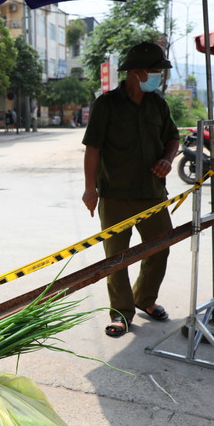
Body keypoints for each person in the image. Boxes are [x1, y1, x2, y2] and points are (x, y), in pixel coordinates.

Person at [81, 42, 180, 338]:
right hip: (114, 196)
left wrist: (167, 158)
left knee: (161, 248)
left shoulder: (157, 104)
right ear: (137, 72)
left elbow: (172, 138)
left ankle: (145, 299)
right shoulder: (106, 104)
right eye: (154, 71)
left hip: (152, 193)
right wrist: (90, 189)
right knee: (116, 258)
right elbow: (93, 149)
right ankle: (121, 314)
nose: (158, 77)